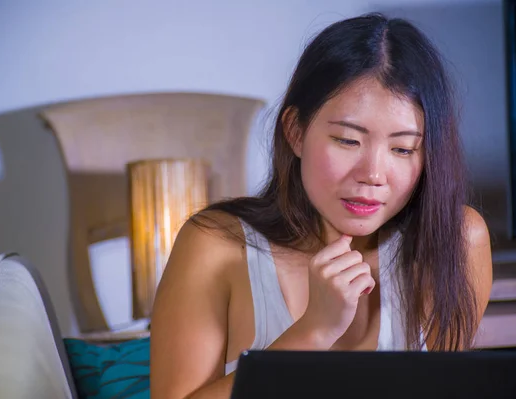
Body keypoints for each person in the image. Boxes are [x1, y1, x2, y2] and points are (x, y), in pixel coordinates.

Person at [149, 12, 493, 399]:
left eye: (402, 148)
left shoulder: (457, 241)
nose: (373, 174)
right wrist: (314, 331)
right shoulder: (216, 245)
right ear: (295, 132)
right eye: (348, 140)